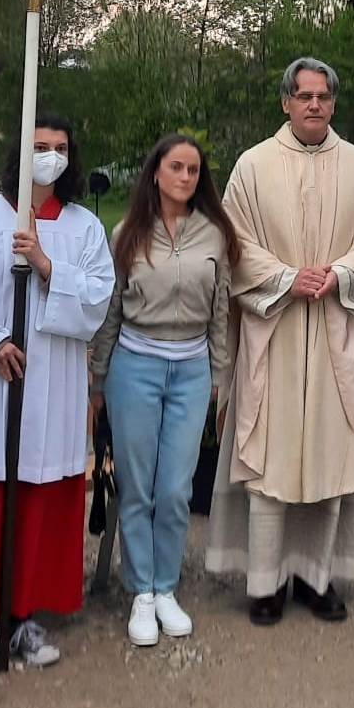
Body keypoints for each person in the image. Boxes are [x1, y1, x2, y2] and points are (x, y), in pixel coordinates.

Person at [206, 57, 354, 625]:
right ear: (285, 102)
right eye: (304, 96)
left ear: (334, 103)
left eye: (323, 96)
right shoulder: (252, 167)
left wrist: (341, 274)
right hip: (273, 332)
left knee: (330, 461)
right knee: (271, 464)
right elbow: (235, 242)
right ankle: (266, 583)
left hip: (335, 334)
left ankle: (317, 580)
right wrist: (283, 277)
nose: (314, 105)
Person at [0, 113, 115, 677]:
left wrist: (46, 265)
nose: (50, 155)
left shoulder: (84, 227)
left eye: (60, 147)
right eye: (39, 145)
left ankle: (22, 613)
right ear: (20, 152)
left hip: (54, 383)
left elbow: (96, 302)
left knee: (38, 497)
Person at [90, 135, 238, 646]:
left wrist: (220, 376)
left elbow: (220, 311)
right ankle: (142, 593)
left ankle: (167, 586)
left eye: (194, 169)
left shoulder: (215, 235)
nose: (185, 177)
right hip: (135, 366)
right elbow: (111, 311)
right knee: (138, 485)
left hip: (191, 369)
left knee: (175, 488)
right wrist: (97, 380)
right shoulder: (127, 232)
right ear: (156, 172)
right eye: (176, 167)